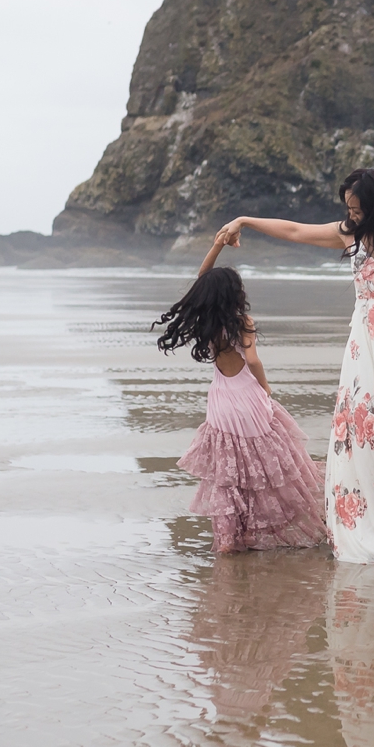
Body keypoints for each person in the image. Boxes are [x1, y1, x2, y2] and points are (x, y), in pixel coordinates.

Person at [215, 169, 374, 564]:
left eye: (359, 209)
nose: (353, 216)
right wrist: (245, 220)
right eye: (349, 209)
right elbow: (295, 231)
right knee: (368, 438)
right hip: (366, 346)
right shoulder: (350, 234)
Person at [155, 229, 327, 553]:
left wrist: (218, 244)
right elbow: (253, 360)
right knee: (268, 469)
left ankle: (230, 540)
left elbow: (202, 277)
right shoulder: (242, 320)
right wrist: (266, 387)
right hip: (247, 398)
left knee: (229, 473)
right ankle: (275, 529)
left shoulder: (206, 319)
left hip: (220, 402)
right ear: (235, 294)